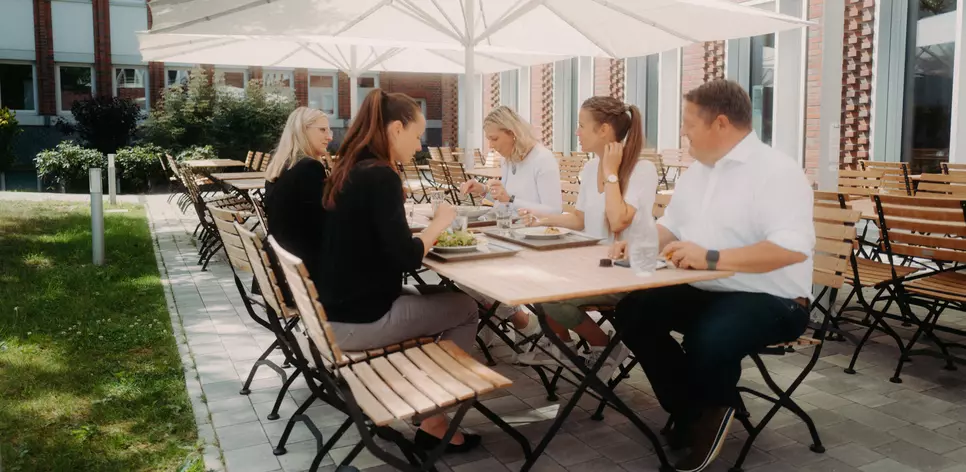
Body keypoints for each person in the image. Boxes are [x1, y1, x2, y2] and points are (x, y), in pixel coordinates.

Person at [612, 79, 813, 472]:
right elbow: (670, 224)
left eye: (689, 124)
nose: (683, 133)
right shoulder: (698, 173)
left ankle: (704, 417)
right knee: (635, 311)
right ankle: (698, 410)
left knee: (712, 336)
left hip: (775, 298)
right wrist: (639, 244)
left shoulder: (777, 172)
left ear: (720, 123)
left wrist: (711, 258)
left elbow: (792, 249)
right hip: (711, 289)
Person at [318, 89, 482, 454]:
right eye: (417, 134)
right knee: (467, 307)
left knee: (444, 298)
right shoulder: (381, 176)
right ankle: (434, 421)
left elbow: (380, 243)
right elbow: (406, 259)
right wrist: (439, 223)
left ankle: (425, 399)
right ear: (395, 129)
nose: (420, 143)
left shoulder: (348, 168)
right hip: (361, 319)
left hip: (334, 312)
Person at [518, 96, 659, 381]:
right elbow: (579, 219)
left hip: (626, 272)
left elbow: (618, 219)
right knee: (534, 282)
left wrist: (610, 174)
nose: (577, 132)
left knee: (554, 297)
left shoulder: (642, 170)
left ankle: (605, 347)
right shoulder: (589, 167)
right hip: (593, 265)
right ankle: (563, 349)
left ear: (604, 130)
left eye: (582, 126)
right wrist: (542, 220)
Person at [459, 106, 562, 342]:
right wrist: (484, 189)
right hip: (508, 235)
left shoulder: (542, 159)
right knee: (464, 275)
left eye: (494, 138)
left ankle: (517, 320)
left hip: (535, 240)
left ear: (512, 133)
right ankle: (512, 318)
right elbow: (506, 200)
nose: (491, 145)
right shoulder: (509, 160)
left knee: (473, 273)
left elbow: (554, 210)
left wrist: (510, 200)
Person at [263, 107, 333, 280]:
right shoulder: (309, 168)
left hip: (280, 271)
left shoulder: (279, 167)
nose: (330, 136)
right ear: (302, 130)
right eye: (322, 130)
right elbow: (325, 226)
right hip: (303, 275)